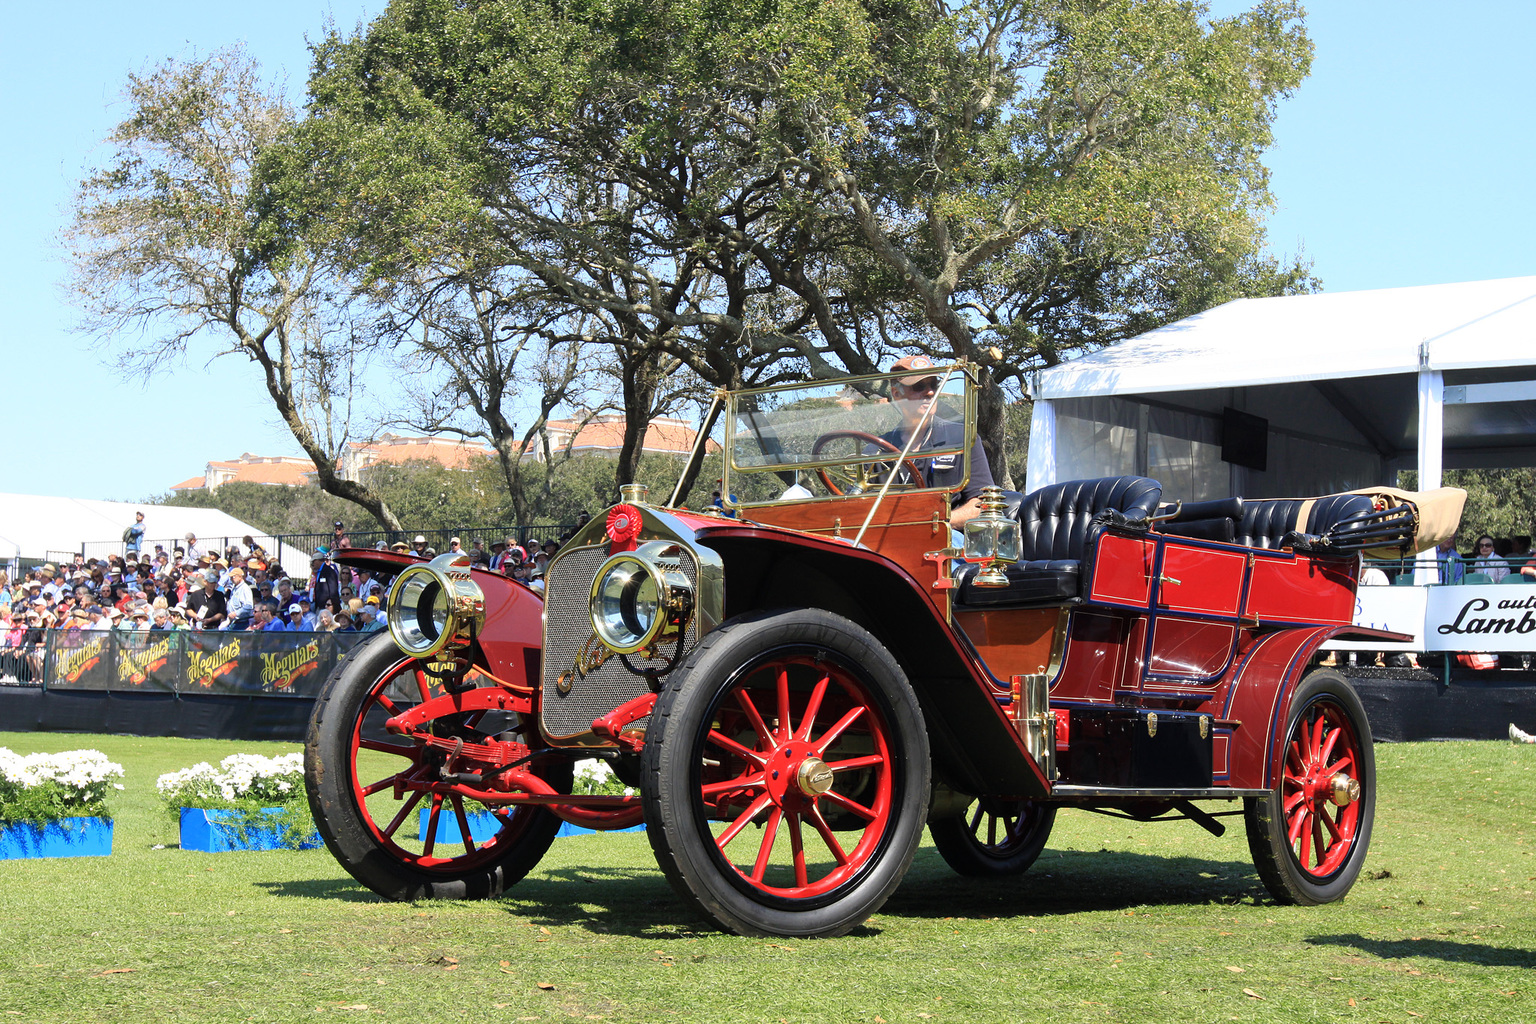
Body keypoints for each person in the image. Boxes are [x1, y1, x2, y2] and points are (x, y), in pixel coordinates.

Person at [880, 354, 996, 530]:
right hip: (888, 541)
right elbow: (854, 505)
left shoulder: (962, 438)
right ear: (897, 394)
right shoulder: (877, 449)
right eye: (919, 386)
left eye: (934, 385)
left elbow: (982, 505)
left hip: (947, 538)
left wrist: (930, 522)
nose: (930, 392)